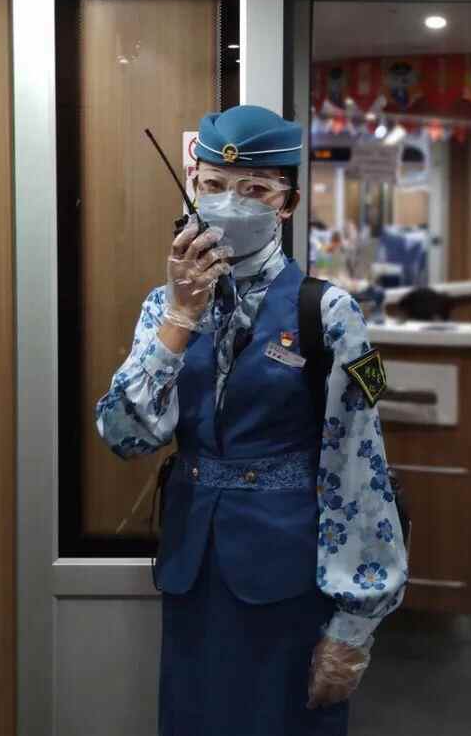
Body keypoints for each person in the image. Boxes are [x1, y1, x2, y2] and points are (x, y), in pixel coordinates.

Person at [95, 105, 407, 736]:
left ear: (287, 203)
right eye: (213, 185)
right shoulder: (163, 304)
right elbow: (124, 435)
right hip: (192, 569)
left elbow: (360, 467)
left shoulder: (330, 313)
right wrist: (180, 319)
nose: (230, 202)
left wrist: (355, 623)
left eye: (255, 190)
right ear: (192, 188)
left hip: (288, 575)